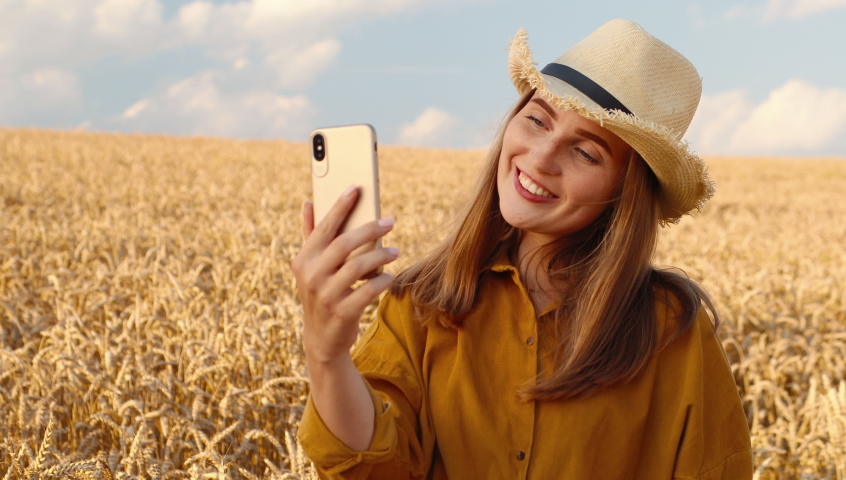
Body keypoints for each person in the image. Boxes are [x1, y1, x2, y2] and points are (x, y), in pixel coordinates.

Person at [292, 18, 752, 479]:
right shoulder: (419, 302)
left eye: (586, 152)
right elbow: (372, 472)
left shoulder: (672, 332)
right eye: (537, 120)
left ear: (626, 190)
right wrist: (327, 357)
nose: (540, 157)